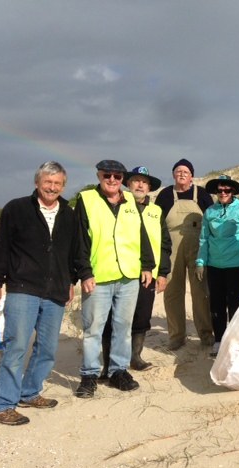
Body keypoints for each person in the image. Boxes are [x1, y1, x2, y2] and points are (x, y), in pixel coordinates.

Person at [0, 162, 79, 426]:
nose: (52, 187)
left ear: (63, 185)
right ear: (37, 183)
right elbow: (1, 248)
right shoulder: (16, 208)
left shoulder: (69, 213)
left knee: (47, 347)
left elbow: (73, 251)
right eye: (48, 182)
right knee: (17, 345)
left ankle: (30, 393)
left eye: (57, 183)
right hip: (23, 287)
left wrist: (71, 280)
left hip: (56, 290)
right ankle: (3, 404)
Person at [74, 160, 155, 398]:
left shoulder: (130, 200)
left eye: (117, 177)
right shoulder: (87, 199)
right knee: (93, 329)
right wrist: (84, 272)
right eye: (107, 175)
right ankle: (89, 375)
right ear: (99, 176)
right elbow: (79, 240)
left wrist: (147, 265)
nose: (112, 180)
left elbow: (141, 234)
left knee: (123, 327)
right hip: (98, 277)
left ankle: (119, 371)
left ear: (122, 179)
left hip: (129, 275)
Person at [100, 166, 172, 376]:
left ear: (149, 187)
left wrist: (163, 273)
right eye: (136, 181)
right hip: (122, 271)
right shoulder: (118, 206)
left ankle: (135, 357)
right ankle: (108, 363)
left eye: (144, 182)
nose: (140, 185)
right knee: (113, 318)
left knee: (141, 317)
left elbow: (165, 245)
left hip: (149, 276)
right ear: (128, 184)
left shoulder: (156, 211)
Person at [155, 159, 213, 350]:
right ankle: (177, 336)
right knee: (173, 292)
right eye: (178, 171)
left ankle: (206, 334)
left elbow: (211, 221)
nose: (181, 174)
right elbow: (156, 224)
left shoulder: (202, 194)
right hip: (171, 250)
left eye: (185, 171)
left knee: (201, 292)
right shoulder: (165, 195)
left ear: (192, 176)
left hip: (198, 249)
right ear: (173, 175)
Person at [196, 175, 239, 358]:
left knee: (235, 304)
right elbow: (204, 239)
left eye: (227, 190)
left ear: (233, 192)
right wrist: (200, 262)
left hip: (236, 265)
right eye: (220, 190)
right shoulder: (209, 212)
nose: (223, 193)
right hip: (214, 266)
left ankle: (236, 340)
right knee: (216, 304)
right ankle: (219, 340)